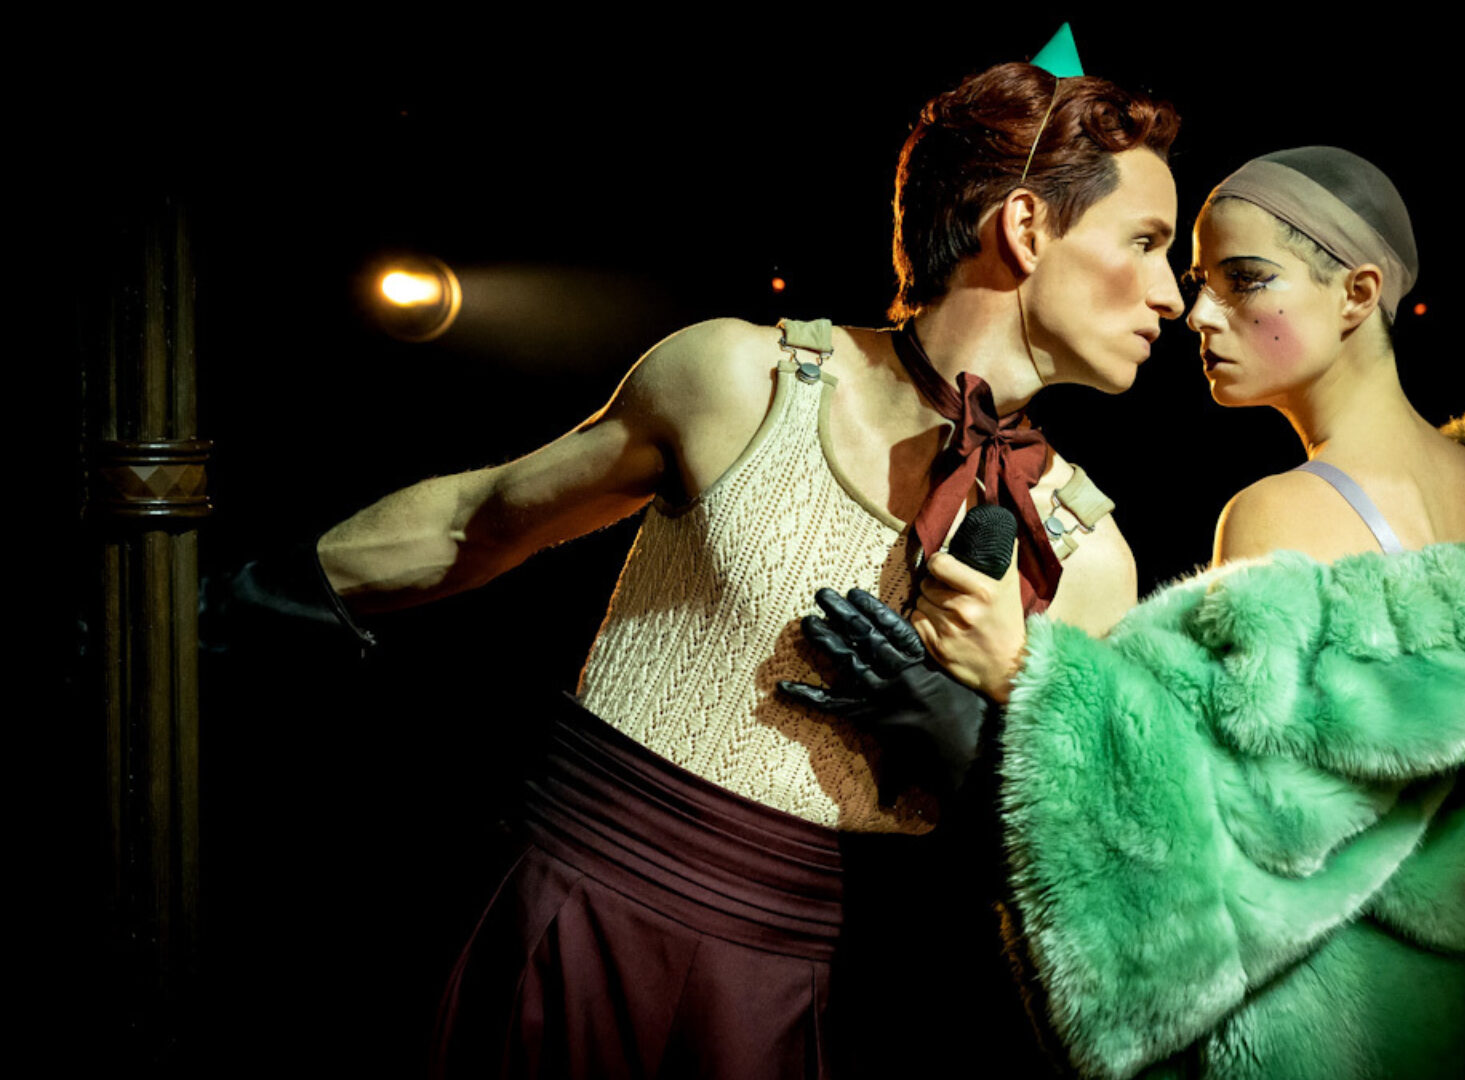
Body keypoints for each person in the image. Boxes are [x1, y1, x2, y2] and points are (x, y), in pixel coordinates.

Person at [294, 61, 1183, 1078]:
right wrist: (230, 597)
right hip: (574, 920)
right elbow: (475, 523)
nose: (1169, 292)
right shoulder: (742, 379)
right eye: (1147, 243)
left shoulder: (1086, 555)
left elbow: (1089, 888)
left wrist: (977, 738)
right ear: (1026, 229)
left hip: (800, 995)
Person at [818, 147, 1465, 1077]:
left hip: (1368, 1043)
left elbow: (1230, 839)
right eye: (1197, 281)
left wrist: (1023, 676)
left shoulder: (1282, 512)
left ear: (1358, 294)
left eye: (1245, 280)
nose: (1198, 312)